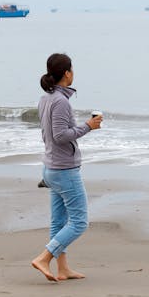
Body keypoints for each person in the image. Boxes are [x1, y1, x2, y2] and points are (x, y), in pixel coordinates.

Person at [31, 53, 102, 282]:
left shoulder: (46, 99)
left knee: (59, 222)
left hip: (51, 167)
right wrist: (88, 126)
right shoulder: (60, 101)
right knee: (80, 222)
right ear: (67, 73)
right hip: (63, 170)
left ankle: (62, 269)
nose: (74, 74)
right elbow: (61, 136)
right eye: (72, 70)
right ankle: (44, 258)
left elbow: (48, 134)